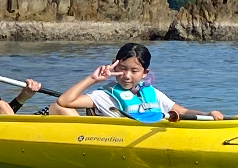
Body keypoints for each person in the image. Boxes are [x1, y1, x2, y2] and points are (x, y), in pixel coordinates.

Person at [48, 42, 224, 120]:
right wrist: (93, 79)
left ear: (144, 73)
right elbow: (64, 102)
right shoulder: (103, 96)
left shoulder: (151, 93)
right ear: (114, 67)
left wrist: (207, 114)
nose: (127, 76)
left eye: (134, 71)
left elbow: (182, 111)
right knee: (57, 108)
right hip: (117, 139)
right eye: (122, 69)